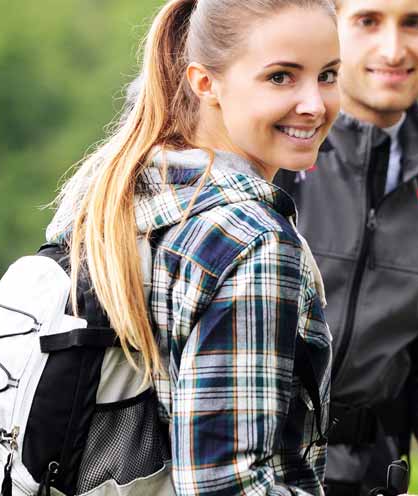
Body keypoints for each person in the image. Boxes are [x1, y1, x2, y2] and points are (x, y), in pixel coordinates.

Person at [45, 0, 338, 493]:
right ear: (206, 83)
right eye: (281, 77)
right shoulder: (253, 242)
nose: (315, 104)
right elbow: (230, 484)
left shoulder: (118, 202)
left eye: (328, 75)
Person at [276, 0, 418, 493]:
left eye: (413, 23)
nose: (393, 47)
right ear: (329, 29)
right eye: (368, 21)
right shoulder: (270, 157)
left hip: (370, 480)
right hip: (252, 477)